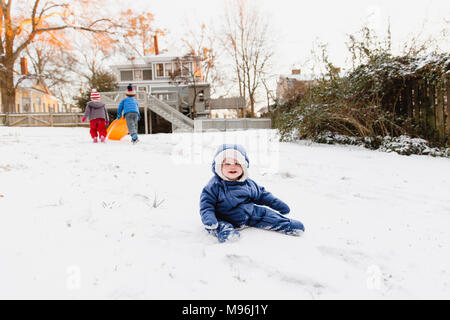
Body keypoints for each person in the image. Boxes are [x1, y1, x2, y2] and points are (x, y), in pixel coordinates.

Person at [200, 144, 305, 243]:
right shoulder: (215, 185)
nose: (232, 167)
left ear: (244, 166)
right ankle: (227, 234)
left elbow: (263, 195)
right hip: (224, 217)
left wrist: (277, 204)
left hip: (249, 213)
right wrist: (209, 218)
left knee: (266, 213)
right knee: (218, 225)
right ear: (219, 167)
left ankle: (287, 225)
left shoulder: (248, 183)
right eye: (227, 163)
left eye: (237, 163)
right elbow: (206, 204)